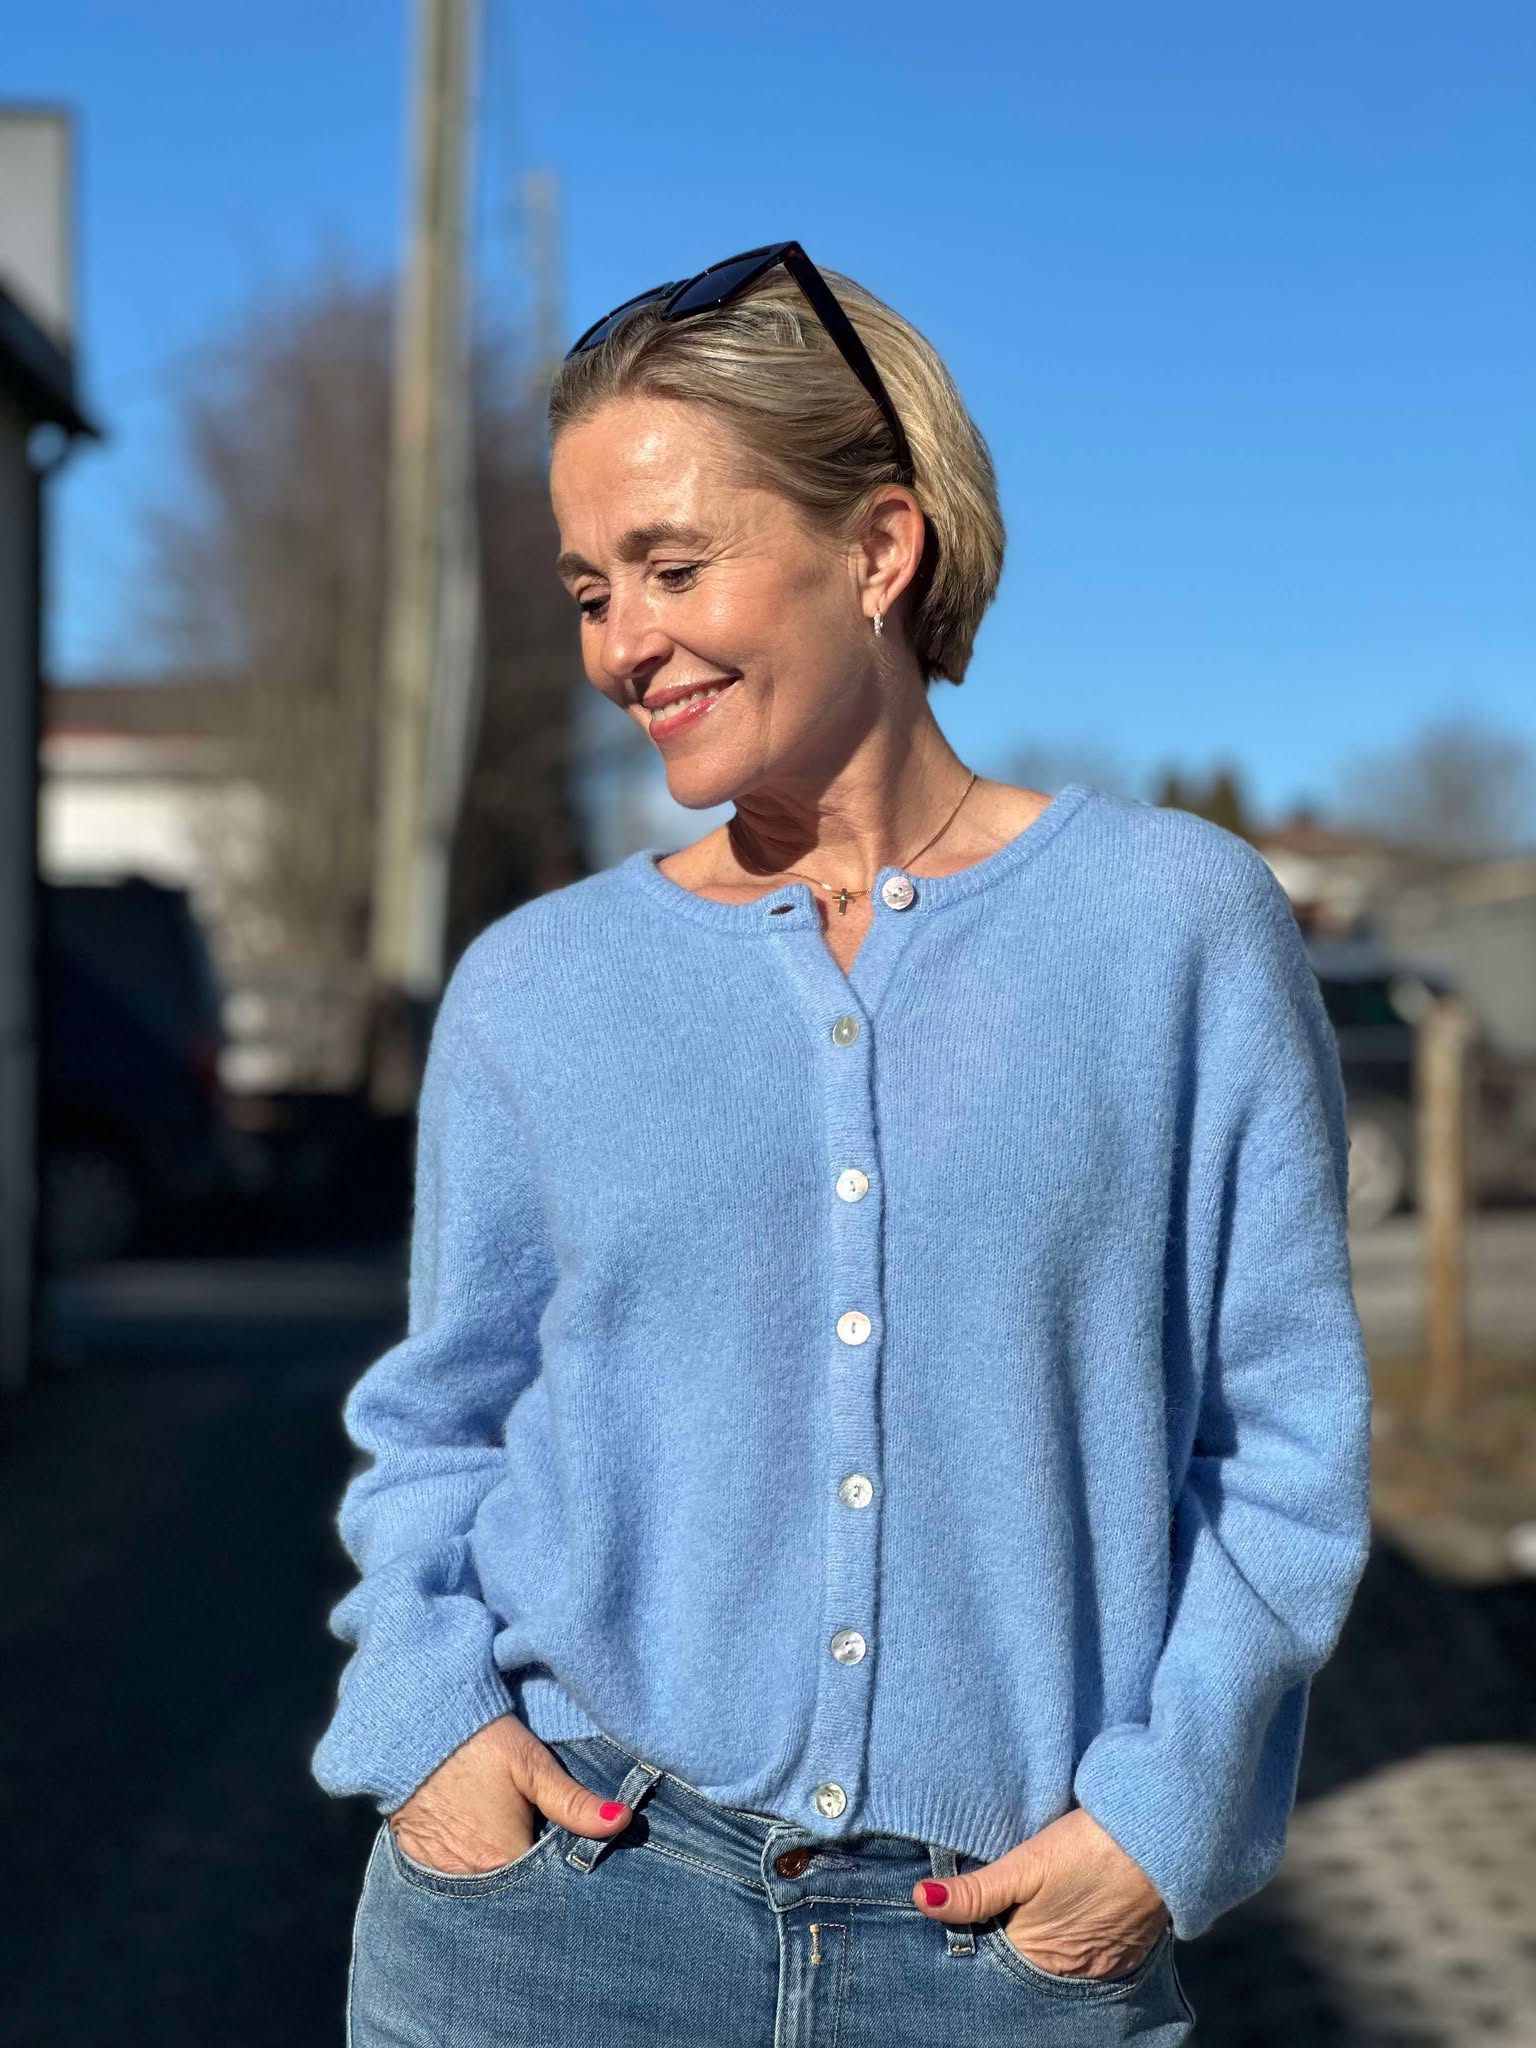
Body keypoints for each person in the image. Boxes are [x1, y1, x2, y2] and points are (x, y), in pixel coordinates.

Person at [313, 241, 1373, 2046]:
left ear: (879, 550)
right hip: (550, 1918)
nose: (620, 644)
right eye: (590, 590)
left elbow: (1283, 1441)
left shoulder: (1173, 929)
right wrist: (432, 1728)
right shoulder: (535, 988)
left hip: (1006, 1957)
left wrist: (1161, 1817)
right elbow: (440, 1424)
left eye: (672, 567)